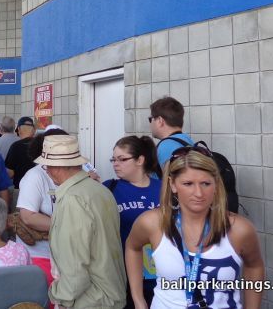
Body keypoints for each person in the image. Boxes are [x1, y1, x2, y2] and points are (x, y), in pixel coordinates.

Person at [125, 147, 265, 309]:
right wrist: (138, 299)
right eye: (188, 184)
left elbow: (254, 266)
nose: (198, 193)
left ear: (216, 185)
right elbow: (132, 247)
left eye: (206, 183)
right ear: (173, 184)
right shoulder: (152, 223)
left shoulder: (239, 229)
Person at [37, 135, 126, 309]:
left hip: (91, 301)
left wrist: (59, 297)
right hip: (109, 295)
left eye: (46, 166)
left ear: (55, 168)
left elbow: (75, 268)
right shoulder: (100, 189)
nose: (45, 170)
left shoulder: (72, 199)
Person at [103, 136, 162, 309]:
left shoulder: (163, 188)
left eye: (122, 159)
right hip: (123, 273)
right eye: (113, 159)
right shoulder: (109, 188)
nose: (115, 164)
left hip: (160, 272)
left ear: (140, 160)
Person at [14, 127, 67, 288]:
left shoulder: (72, 174)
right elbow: (28, 216)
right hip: (40, 256)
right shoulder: (35, 176)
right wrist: (67, 226)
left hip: (66, 256)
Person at [149, 96, 194, 167]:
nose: (150, 123)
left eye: (150, 119)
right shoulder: (188, 140)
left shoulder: (165, 147)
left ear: (160, 121)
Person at [5, 116, 37, 188]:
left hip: (20, 189)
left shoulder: (15, 146)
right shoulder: (41, 145)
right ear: (34, 130)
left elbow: (10, 173)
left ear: (19, 129)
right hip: (39, 189)